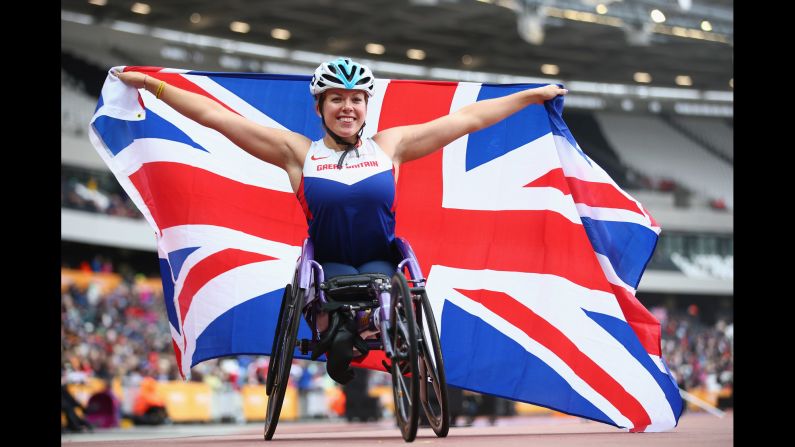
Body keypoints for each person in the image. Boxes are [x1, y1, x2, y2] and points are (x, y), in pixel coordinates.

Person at [115, 58, 567, 382]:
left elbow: (467, 119)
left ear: (366, 106)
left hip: (380, 262)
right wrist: (152, 85)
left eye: (355, 99)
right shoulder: (297, 152)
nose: (347, 107)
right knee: (336, 324)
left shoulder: (391, 146)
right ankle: (341, 339)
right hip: (327, 266)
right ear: (320, 106)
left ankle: (376, 337)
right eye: (336, 99)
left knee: (385, 295)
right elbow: (215, 117)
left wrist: (531, 95)